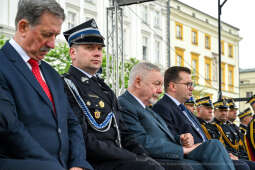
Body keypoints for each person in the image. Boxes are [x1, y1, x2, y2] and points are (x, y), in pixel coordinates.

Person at [0, 0, 92, 170]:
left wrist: (78, 163)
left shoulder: (51, 74)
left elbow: (71, 122)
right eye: (46, 34)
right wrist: (53, 166)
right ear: (23, 27)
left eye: (55, 36)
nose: (52, 44)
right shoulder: (2, 66)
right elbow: (10, 129)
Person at [62, 19, 164, 170]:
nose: (97, 53)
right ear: (73, 52)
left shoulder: (104, 88)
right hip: (94, 161)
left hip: (117, 157)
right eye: (89, 48)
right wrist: (131, 158)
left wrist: (141, 155)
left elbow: (123, 131)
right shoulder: (67, 85)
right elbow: (83, 138)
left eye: (99, 49)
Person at [117, 62, 239, 170]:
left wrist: (180, 139)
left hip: (171, 153)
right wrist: (182, 149)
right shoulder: (125, 104)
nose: (160, 90)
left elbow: (159, 136)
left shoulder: (147, 108)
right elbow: (140, 142)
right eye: (157, 84)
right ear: (138, 82)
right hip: (157, 159)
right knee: (211, 150)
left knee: (214, 145)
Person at [152, 66, 251, 170]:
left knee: (250, 165)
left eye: (192, 84)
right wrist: (185, 140)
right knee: (239, 164)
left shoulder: (183, 109)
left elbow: (202, 138)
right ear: (172, 86)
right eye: (188, 84)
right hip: (190, 154)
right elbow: (168, 139)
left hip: (207, 153)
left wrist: (224, 154)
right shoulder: (162, 107)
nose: (192, 88)